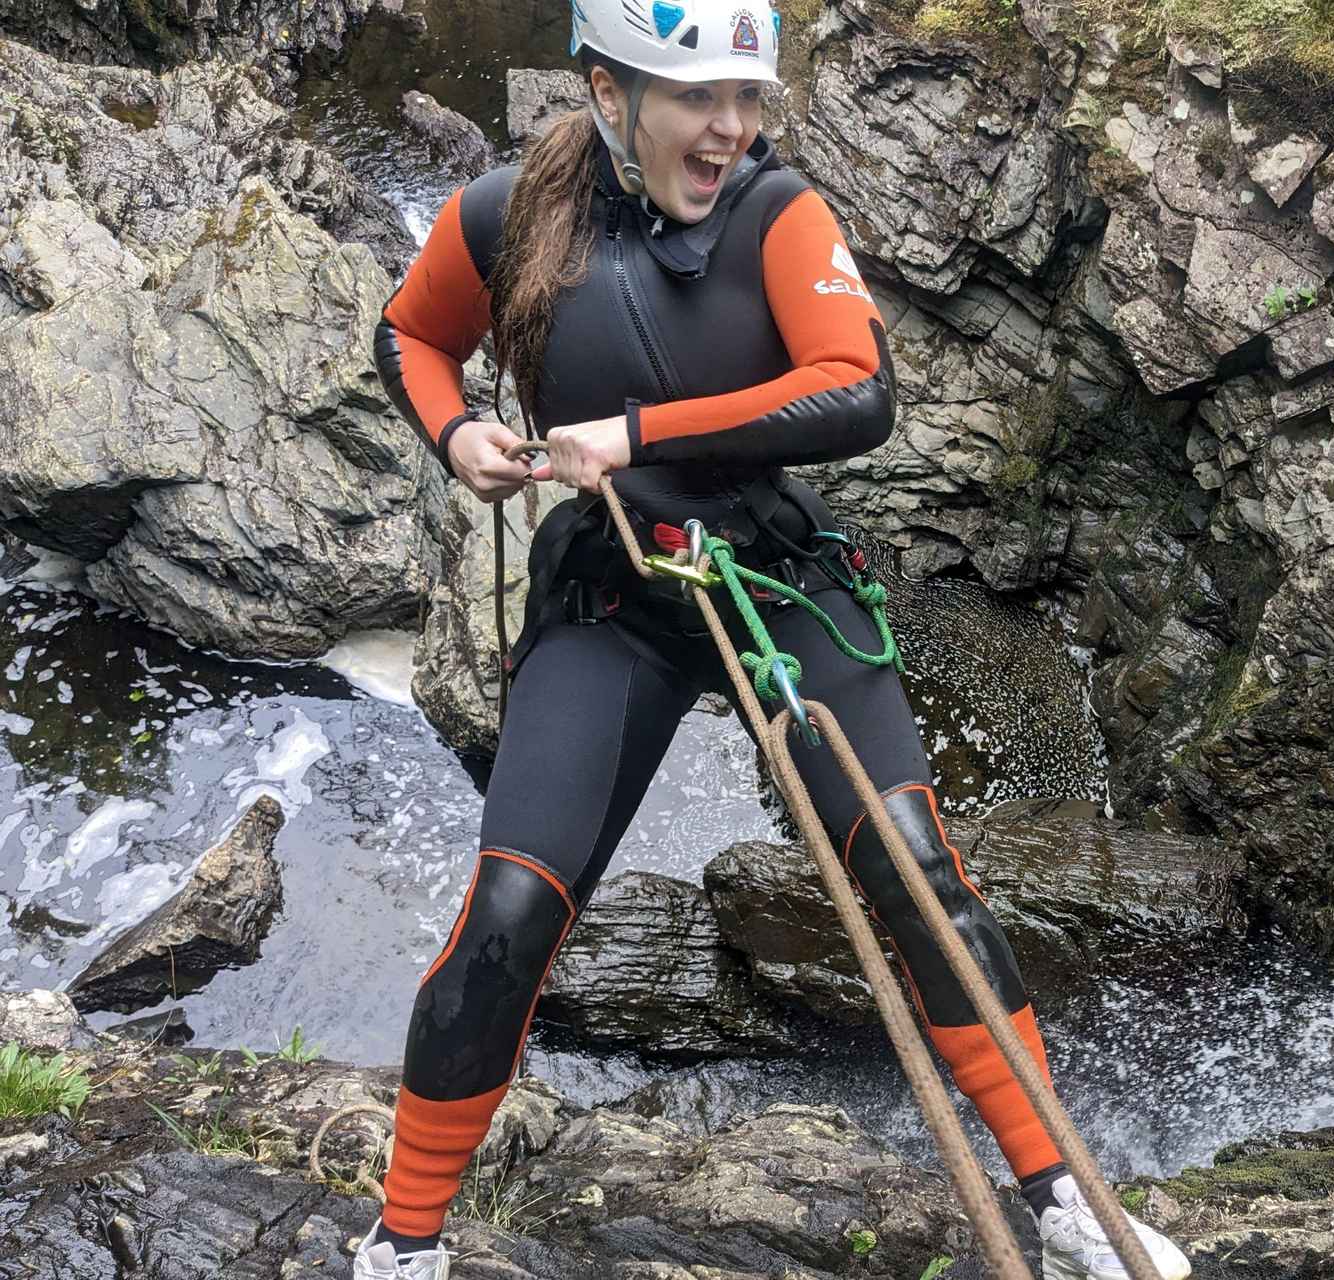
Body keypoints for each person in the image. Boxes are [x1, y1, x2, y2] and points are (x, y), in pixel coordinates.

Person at [356, 2, 1191, 1277]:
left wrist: (636, 434)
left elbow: (856, 389)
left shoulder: (777, 214)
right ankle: (402, 1242)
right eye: (699, 96)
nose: (732, 128)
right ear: (609, 93)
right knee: (511, 911)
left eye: (749, 96)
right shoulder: (504, 216)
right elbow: (413, 334)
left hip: (773, 576)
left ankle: (1066, 1199)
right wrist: (457, 432)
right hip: (615, 600)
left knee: (914, 871)